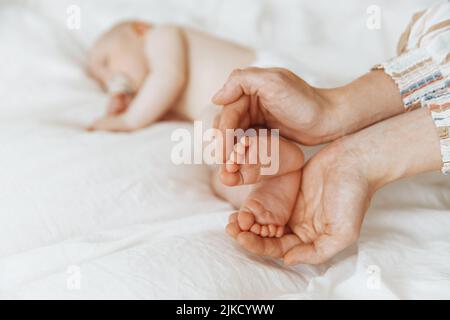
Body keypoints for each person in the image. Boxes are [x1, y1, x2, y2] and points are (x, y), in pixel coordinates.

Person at [214, 1, 449, 265]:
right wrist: (334, 112)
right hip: (267, 102)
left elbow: (170, 76)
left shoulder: (164, 36)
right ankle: (272, 175)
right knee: (229, 161)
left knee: (222, 158)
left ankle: (269, 174)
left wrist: (343, 128)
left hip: (242, 91)